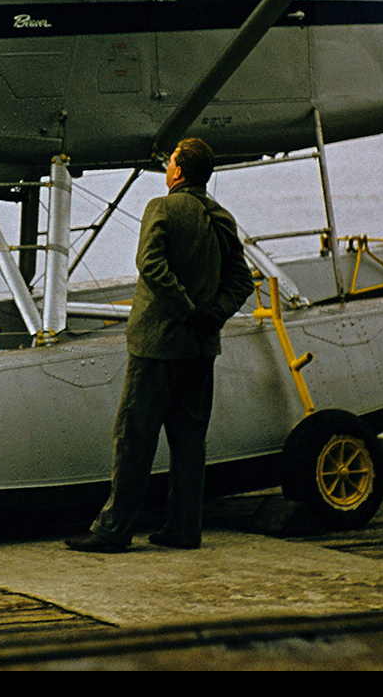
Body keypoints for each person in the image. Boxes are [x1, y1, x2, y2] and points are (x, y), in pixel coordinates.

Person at [66, 137, 253, 552]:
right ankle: (184, 529)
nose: (167, 167)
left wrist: (186, 310)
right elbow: (241, 280)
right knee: (189, 443)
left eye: (171, 162)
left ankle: (114, 530)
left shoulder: (162, 208)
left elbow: (150, 264)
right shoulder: (220, 216)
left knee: (133, 438)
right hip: (200, 349)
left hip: (156, 346)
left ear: (179, 172)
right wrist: (212, 314)